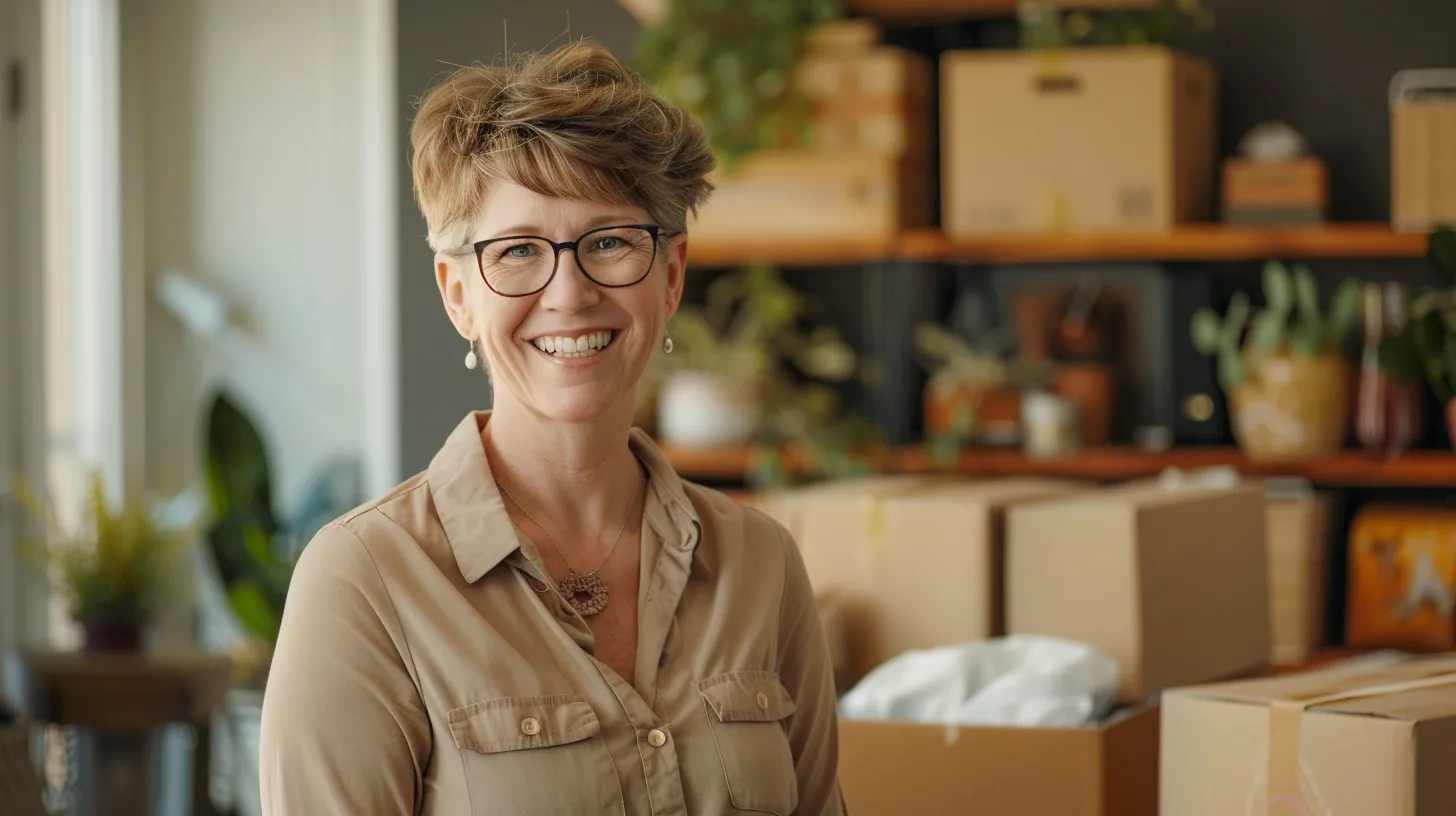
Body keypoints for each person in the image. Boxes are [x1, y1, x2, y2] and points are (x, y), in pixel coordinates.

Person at [258, 39, 846, 815]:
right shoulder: (366, 581)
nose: (568, 294)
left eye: (608, 242)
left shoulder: (760, 565)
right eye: (520, 251)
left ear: (670, 277)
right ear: (458, 294)